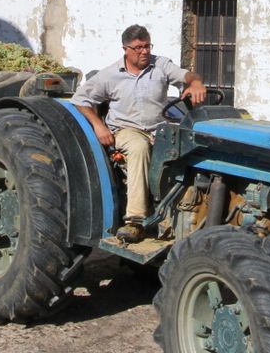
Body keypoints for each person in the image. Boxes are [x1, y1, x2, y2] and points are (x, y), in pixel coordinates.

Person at [71, 25, 207, 243]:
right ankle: (135, 221)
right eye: (138, 48)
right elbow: (80, 100)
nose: (144, 52)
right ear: (126, 49)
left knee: (189, 145)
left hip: (159, 129)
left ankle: (183, 213)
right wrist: (99, 125)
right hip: (127, 130)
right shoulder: (109, 76)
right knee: (139, 147)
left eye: (147, 46)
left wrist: (196, 82)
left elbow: (187, 75)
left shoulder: (160, 65)